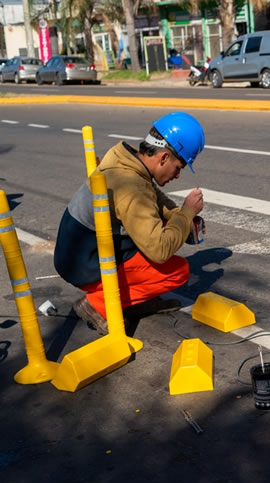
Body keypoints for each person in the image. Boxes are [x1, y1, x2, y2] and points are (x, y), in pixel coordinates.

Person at [54, 112, 206, 334]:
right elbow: (159, 250)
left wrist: (178, 216)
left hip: (78, 249)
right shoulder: (132, 187)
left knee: (160, 226)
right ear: (164, 157)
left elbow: (154, 197)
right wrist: (186, 213)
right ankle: (97, 304)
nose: (177, 175)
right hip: (84, 263)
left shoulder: (125, 159)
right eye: (179, 167)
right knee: (178, 271)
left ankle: (133, 302)